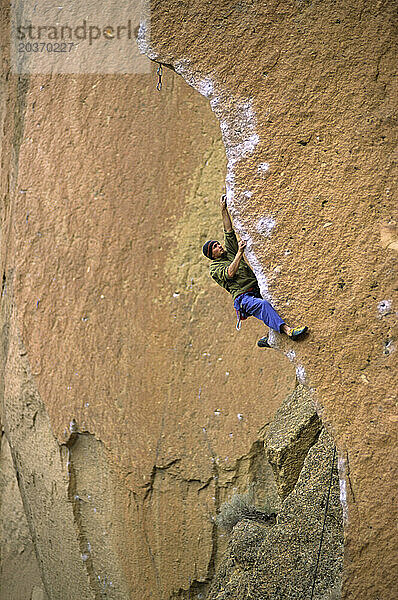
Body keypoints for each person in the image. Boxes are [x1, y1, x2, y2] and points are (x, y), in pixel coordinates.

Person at [202, 195, 308, 348]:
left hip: (255, 289)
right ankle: (288, 331)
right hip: (243, 298)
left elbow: (228, 230)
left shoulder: (229, 252)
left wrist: (223, 209)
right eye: (215, 248)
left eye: (218, 244)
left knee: (274, 305)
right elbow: (230, 273)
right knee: (263, 306)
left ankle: (271, 339)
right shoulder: (215, 268)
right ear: (212, 255)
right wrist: (239, 253)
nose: (219, 246)